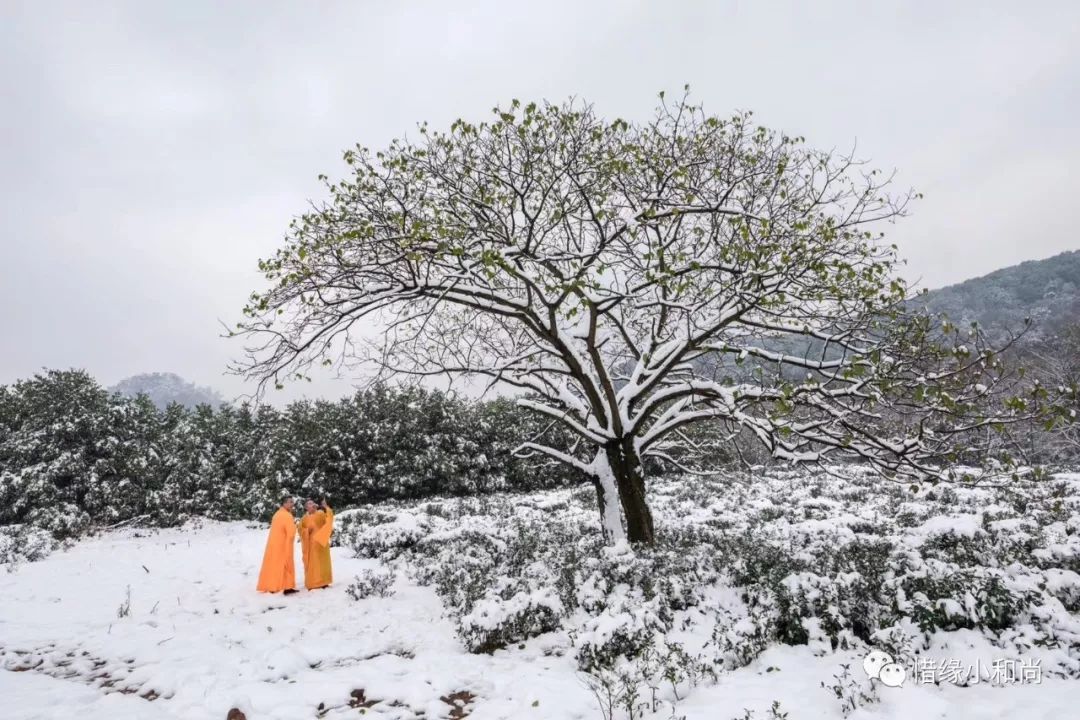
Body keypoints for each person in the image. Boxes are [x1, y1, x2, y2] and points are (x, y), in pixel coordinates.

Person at [256, 497, 298, 594]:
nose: (292, 504)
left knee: (274, 564)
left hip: (274, 544)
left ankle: (272, 585)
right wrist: (296, 526)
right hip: (283, 544)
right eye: (290, 502)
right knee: (286, 563)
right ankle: (287, 586)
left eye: (293, 502)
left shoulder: (277, 514)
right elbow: (291, 533)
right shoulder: (287, 515)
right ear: (284, 503)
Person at [299, 499, 334, 590]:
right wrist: (307, 531)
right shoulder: (304, 518)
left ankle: (323, 582)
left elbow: (329, 520)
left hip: (321, 542)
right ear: (306, 507)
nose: (313, 504)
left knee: (322, 562)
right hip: (310, 544)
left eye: (313, 503)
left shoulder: (321, 514)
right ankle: (313, 583)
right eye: (309, 504)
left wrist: (326, 507)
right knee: (312, 564)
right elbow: (299, 530)